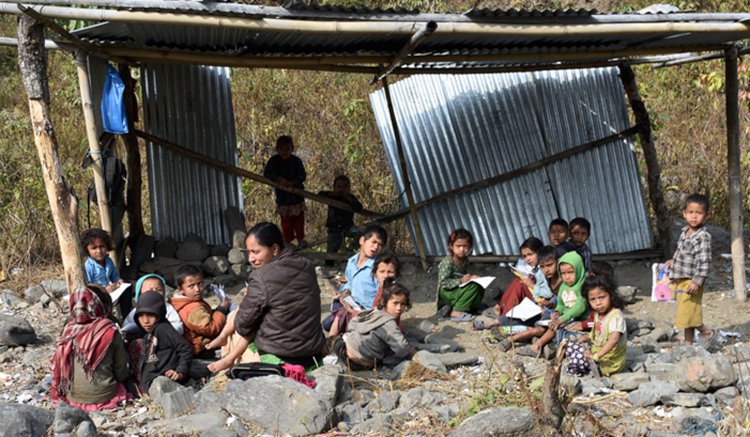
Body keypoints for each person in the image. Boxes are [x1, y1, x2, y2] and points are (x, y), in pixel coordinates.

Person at [233, 222, 326, 369]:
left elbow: (242, 326)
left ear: (275, 249)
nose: (251, 258)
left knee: (235, 324)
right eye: (248, 252)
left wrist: (246, 299)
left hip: (279, 356)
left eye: (256, 252)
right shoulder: (307, 265)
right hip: (312, 353)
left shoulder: (261, 276)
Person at [50, 286, 129, 411]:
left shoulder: (68, 330)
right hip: (105, 397)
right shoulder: (110, 330)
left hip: (73, 398)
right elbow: (121, 374)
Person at [517, 251, 588, 357]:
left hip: (580, 319)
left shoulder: (583, 286)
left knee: (557, 328)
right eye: (563, 273)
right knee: (551, 324)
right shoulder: (564, 287)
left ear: (578, 269)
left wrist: (562, 319)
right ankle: (541, 346)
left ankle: (538, 346)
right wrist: (557, 312)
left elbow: (580, 307)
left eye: (570, 272)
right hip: (567, 318)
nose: (567, 277)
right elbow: (561, 303)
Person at [668, 193, 715, 345]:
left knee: (688, 311)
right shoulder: (685, 232)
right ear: (684, 213)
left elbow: (704, 262)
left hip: (691, 281)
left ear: (706, 215)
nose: (694, 216)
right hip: (682, 280)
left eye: (699, 213)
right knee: (688, 311)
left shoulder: (702, 237)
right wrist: (673, 261)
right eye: (690, 212)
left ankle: (706, 331)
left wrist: (697, 281)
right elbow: (682, 253)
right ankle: (688, 343)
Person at [336, 280, 415, 369]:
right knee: (394, 358)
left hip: (345, 352)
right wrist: (412, 352)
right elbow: (402, 350)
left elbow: (353, 323)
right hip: (361, 363)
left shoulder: (373, 312)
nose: (399, 308)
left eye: (402, 304)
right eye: (395, 303)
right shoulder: (389, 323)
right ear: (384, 302)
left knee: (336, 341)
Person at [329, 250, 399, 337]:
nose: (385, 276)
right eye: (382, 272)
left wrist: (351, 310)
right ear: (375, 274)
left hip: (380, 331)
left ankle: (331, 338)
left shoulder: (394, 293)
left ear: (396, 273)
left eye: (390, 272)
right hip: (370, 320)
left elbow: (376, 319)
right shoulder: (381, 289)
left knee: (343, 313)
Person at [134, 291, 194, 392]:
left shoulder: (162, 329)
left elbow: (186, 348)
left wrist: (180, 371)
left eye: (150, 315)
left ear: (159, 313)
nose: (145, 321)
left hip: (163, 383)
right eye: (141, 315)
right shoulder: (149, 332)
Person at [332, 225, 388, 328]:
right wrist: (345, 291)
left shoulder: (378, 268)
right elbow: (348, 282)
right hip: (352, 304)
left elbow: (382, 294)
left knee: (335, 322)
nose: (376, 247)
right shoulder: (351, 262)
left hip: (367, 312)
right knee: (329, 320)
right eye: (374, 242)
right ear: (362, 240)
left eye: (380, 245)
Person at [169, 265, 231, 357]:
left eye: (200, 284)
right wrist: (222, 310)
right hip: (201, 348)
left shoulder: (186, 302)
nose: (197, 289)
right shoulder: (192, 308)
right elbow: (210, 329)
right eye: (191, 286)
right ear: (180, 289)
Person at [571, 275, 627, 377]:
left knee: (577, 359)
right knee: (572, 346)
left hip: (610, 361)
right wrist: (588, 337)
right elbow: (597, 331)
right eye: (592, 299)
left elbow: (613, 340)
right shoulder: (598, 313)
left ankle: (579, 375)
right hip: (598, 351)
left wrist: (596, 356)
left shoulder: (616, 317)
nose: (598, 303)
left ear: (611, 295)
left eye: (602, 297)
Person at [490, 237, 554, 321]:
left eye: (530, 254)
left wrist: (532, 285)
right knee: (519, 281)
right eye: (524, 256)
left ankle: (505, 314)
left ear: (539, 252)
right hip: (537, 294)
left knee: (520, 284)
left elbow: (549, 292)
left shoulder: (544, 269)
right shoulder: (536, 268)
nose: (527, 259)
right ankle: (502, 307)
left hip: (543, 300)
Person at [263, 135, 307, 248]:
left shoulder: (296, 161)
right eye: (281, 149)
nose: (284, 152)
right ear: (277, 149)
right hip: (283, 199)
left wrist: (293, 183)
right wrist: (279, 180)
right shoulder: (274, 161)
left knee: (299, 222)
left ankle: (301, 240)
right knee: (286, 224)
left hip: (296, 198)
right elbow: (267, 173)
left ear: (292, 149)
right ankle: (288, 242)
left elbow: (302, 175)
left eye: (287, 148)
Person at [437, 228, 484, 322]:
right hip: (447, 292)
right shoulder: (447, 262)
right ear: (451, 246)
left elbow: (463, 275)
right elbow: (443, 282)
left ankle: (472, 307)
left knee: (479, 284)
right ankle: (456, 312)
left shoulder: (465, 260)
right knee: (472, 287)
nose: (462, 249)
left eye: (465, 246)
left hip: (458, 288)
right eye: (458, 246)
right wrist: (461, 281)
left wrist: (472, 278)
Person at [82, 228, 131, 317]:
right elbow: (88, 287)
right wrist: (104, 291)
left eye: (102, 246)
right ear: (87, 250)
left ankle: (126, 317)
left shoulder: (108, 261)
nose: (99, 251)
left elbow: (114, 276)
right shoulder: (88, 266)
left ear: (107, 246)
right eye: (94, 248)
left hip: (110, 293)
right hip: (97, 297)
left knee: (127, 287)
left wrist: (118, 281)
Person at [319, 175, 363, 263]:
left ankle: (349, 251)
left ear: (349, 188)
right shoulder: (331, 196)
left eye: (345, 187)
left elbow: (359, 207)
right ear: (334, 188)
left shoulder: (351, 198)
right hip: (334, 228)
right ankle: (329, 264)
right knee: (330, 254)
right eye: (339, 187)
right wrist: (332, 194)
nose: (342, 189)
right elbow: (319, 195)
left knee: (360, 233)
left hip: (348, 227)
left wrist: (349, 199)